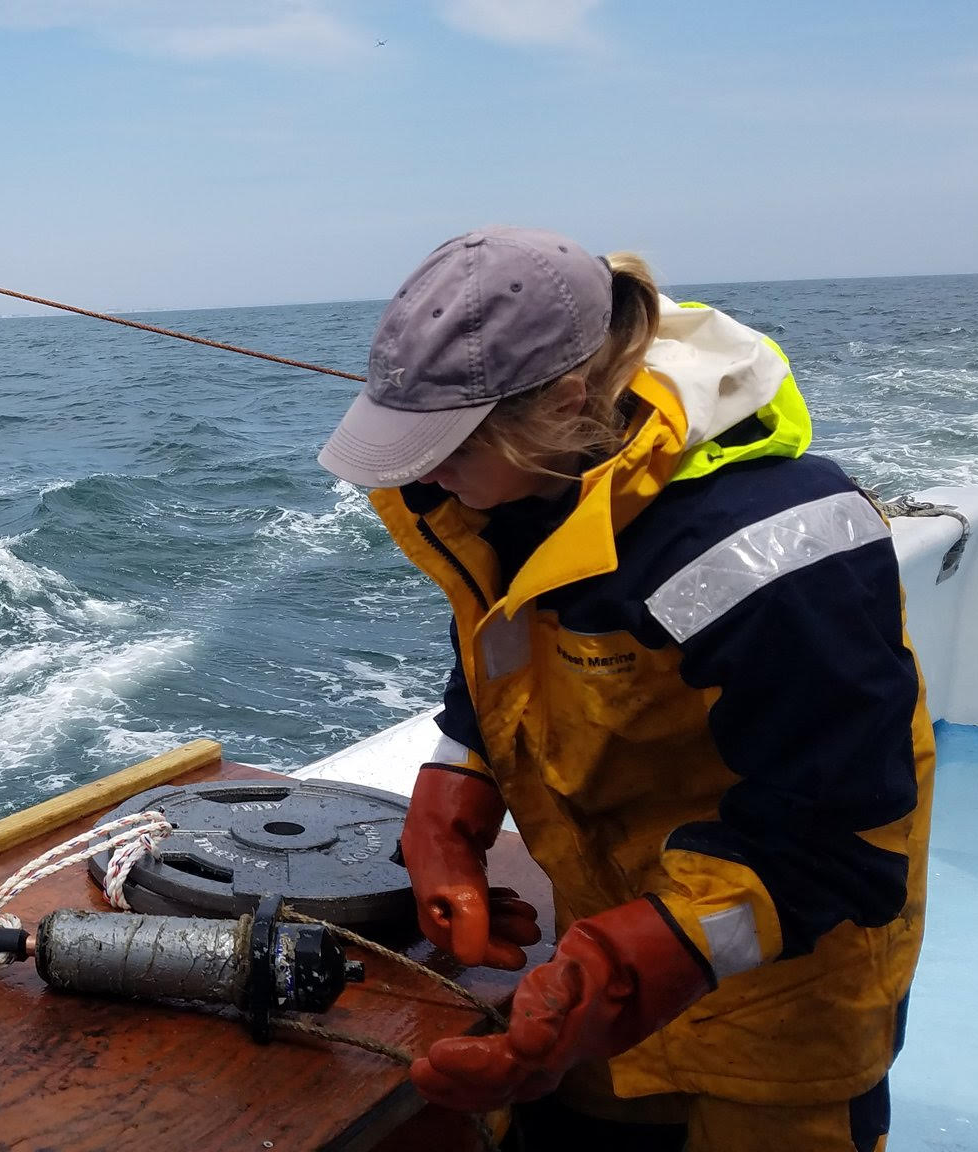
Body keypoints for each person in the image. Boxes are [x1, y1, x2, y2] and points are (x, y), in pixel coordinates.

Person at [316, 227, 933, 1151]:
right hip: (596, 983)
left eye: (444, 447)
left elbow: (839, 843)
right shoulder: (511, 497)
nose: (422, 475)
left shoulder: (777, 550)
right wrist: (451, 803)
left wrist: (622, 970)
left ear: (565, 403)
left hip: (779, 1024)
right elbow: (507, 654)